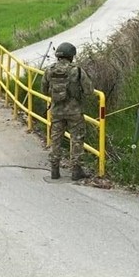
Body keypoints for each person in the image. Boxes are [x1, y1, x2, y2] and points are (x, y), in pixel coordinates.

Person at [45, 42, 94, 180]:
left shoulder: (49, 70)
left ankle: (54, 170)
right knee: (77, 139)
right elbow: (89, 90)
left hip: (56, 111)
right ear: (71, 56)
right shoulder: (77, 70)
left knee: (56, 139)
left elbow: (44, 89)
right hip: (74, 112)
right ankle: (76, 171)